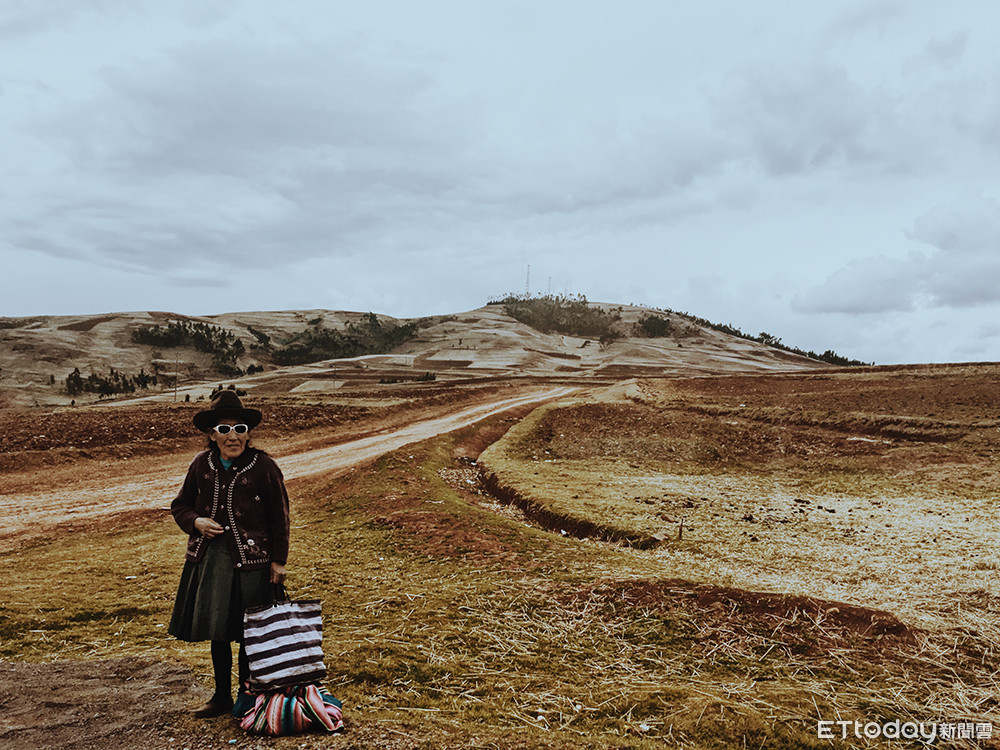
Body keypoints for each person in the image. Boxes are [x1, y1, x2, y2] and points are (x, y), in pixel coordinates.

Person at [168, 390, 290, 718]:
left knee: (249, 630)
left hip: (254, 562)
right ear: (212, 435)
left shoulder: (264, 466)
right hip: (212, 560)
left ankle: (246, 697)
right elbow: (179, 505)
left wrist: (278, 561)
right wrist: (196, 521)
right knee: (218, 630)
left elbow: (280, 515)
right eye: (224, 429)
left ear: (249, 434)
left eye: (239, 428)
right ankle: (221, 696)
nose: (232, 435)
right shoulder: (201, 464)